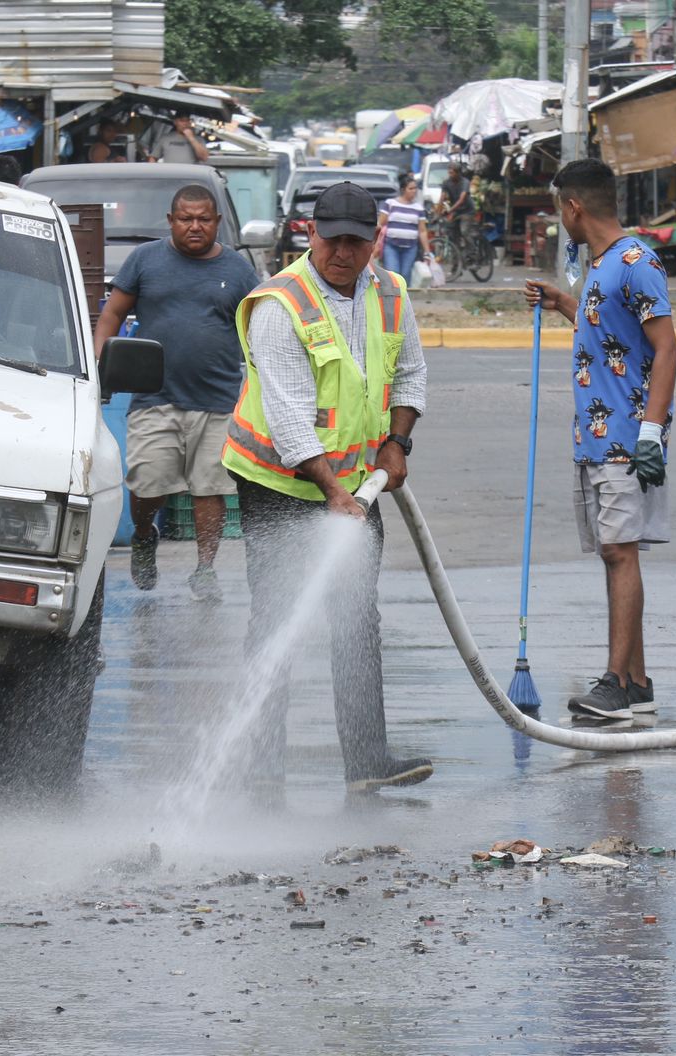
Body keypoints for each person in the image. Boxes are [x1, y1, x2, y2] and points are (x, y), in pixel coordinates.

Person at [223, 182, 433, 792]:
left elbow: (411, 374)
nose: (343, 251)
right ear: (310, 233)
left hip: (354, 484)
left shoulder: (391, 292)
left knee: (356, 619)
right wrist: (334, 495)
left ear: (374, 240)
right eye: (332, 238)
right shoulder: (280, 304)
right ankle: (261, 770)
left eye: (356, 241)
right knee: (276, 618)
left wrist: (398, 443)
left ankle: (367, 764)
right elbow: (288, 417)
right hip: (277, 480)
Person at [524, 158, 676, 722]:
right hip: (593, 434)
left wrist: (651, 433)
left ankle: (615, 682)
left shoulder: (636, 261)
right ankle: (636, 681)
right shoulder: (601, 267)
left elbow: (667, 347)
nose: (558, 219)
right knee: (614, 554)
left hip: (626, 436)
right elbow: (608, 335)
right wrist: (562, 303)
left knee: (620, 552)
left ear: (574, 207)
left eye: (557, 209)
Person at [93, 185, 258, 601]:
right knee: (149, 484)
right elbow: (113, 312)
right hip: (153, 397)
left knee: (210, 487)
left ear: (217, 223)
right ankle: (146, 537)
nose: (195, 226)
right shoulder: (145, 260)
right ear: (171, 221)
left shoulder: (238, 270)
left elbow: (259, 326)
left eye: (204, 219)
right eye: (186, 218)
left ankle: (205, 569)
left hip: (219, 400)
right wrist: (100, 363)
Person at [374, 172, 432, 282]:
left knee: (405, 275)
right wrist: (376, 244)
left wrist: (427, 252)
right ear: (403, 189)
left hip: (410, 248)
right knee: (393, 274)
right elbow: (380, 225)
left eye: (415, 188)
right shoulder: (390, 204)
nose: (414, 191)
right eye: (411, 188)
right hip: (391, 246)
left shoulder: (418, 208)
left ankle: (404, 298)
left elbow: (422, 231)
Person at [438, 162, 473, 249]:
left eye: (452, 173)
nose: (450, 175)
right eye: (449, 172)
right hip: (456, 211)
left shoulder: (465, 182)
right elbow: (441, 199)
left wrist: (450, 211)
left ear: (458, 173)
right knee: (451, 231)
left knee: (464, 231)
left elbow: (461, 200)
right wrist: (437, 214)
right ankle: (457, 254)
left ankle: (472, 249)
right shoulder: (446, 182)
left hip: (467, 211)